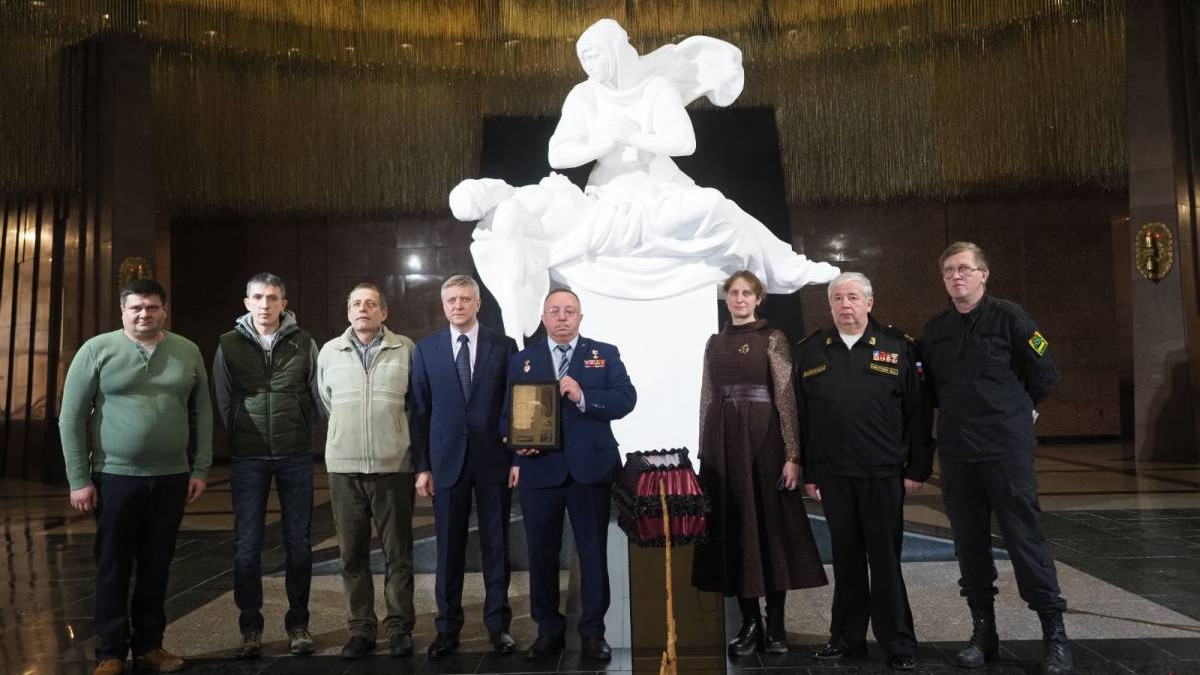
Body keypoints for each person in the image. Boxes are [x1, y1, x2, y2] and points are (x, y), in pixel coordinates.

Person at [449, 18, 839, 344]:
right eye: (583, 57)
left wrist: (634, 135)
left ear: (615, 52)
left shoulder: (655, 89)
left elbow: (683, 143)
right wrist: (603, 142)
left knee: (717, 207)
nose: (589, 64)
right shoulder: (583, 97)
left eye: (595, 54)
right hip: (607, 197)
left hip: (659, 189)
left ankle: (788, 266)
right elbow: (558, 154)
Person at [919, 242, 1071, 675]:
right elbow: (930, 391)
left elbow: (1045, 373)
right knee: (969, 545)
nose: (957, 276)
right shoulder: (935, 331)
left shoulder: (1011, 318)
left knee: (1024, 539)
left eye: (965, 269)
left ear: (984, 274)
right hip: (958, 453)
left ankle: (1054, 635)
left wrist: (1017, 412)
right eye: (949, 271)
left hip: (1005, 450)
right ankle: (983, 635)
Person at [59, 278, 212, 675]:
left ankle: (150, 646)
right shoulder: (97, 350)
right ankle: (110, 652)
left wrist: (200, 467)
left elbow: (202, 413)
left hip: (172, 476)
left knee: (157, 565)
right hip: (115, 476)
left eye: (152, 307)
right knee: (113, 564)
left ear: (164, 310)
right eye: (136, 308)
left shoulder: (187, 350)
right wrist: (78, 478)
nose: (145, 314)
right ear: (123, 311)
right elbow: (71, 418)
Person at [794, 272, 934, 671]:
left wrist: (918, 468)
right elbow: (805, 418)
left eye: (853, 297)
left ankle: (898, 643)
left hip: (882, 472)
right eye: (838, 298)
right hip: (834, 475)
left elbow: (919, 413)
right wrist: (810, 472)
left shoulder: (897, 347)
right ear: (830, 305)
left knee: (885, 561)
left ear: (869, 303)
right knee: (846, 559)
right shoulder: (812, 350)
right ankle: (846, 639)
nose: (845, 305)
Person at [691, 270, 827, 657]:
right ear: (726, 298)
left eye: (746, 293)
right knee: (735, 531)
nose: (739, 299)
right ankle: (750, 622)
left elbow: (785, 397)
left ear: (758, 298)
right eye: (733, 293)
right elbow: (706, 396)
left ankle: (776, 622)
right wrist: (704, 451)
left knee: (769, 532)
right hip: (723, 446)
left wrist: (792, 455)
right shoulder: (714, 342)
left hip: (764, 444)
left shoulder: (773, 338)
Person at [502, 288, 636, 662]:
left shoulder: (603, 354)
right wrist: (516, 444)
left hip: (589, 470)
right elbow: (505, 413)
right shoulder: (522, 360)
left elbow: (627, 399)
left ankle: (593, 632)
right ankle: (548, 631)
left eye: (569, 311)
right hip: (538, 470)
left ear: (580, 317)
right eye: (554, 311)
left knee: (592, 553)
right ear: (543, 318)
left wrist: (583, 396)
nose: (562, 317)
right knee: (540, 554)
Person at [211, 273, 322, 659]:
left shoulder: (305, 342)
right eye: (257, 297)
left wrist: (302, 424)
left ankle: (299, 625)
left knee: (298, 545)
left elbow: (317, 393)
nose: (264, 304)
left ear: (283, 304)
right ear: (247, 303)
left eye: (272, 297)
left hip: (295, 454)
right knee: (246, 547)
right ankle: (250, 629)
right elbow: (223, 399)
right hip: (249, 457)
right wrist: (241, 428)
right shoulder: (228, 344)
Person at [410, 275, 519, 658]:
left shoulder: (504, 346)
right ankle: (447, 629)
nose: (458, 305)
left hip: (493, 461)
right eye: (451, 300)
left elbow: (514, 405)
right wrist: (422, 466)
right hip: (446, 463)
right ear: (444, 306)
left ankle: (498, 626)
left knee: (496, 546)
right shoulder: (426, 350)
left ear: (477, 303)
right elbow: (420, 411)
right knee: (449, 548)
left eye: (465, 299)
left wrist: (517, 457)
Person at [317, 283, 419, 660]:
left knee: (398, 554)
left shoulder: (404, 349)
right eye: (356, 304)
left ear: (384, 312)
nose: (363, 309)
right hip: (344, 469)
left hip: (393, 466)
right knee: (351, 555)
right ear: (348, 312)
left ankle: (399, 628)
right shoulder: (330, 351)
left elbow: (415, 403)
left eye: (371, 304)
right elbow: (326, 400)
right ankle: (361, 629)